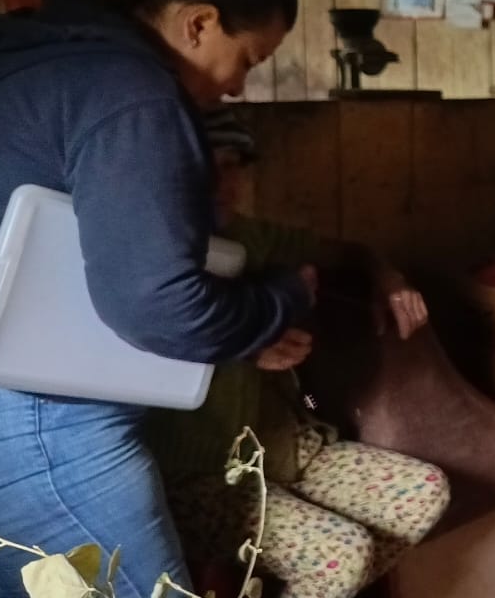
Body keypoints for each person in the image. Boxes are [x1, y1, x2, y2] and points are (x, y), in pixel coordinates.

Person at [0, 0, 312, 597]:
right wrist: (279, 302)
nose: (237, 86)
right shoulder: (133, 93)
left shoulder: (45, 64)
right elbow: (156, 305)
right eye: (248, 59)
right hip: (32, 422)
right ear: (198, 23)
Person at [148, 114, 449, 598]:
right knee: (344, 554)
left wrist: (390, 279)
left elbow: (350, 252)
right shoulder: (149, 250)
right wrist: (244, 340)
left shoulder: (251, 236)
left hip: (286, 449)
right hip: (198, 475)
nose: (224, 183)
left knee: (425, 492)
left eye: (234, 165)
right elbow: (148, 335)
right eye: (206, 166)